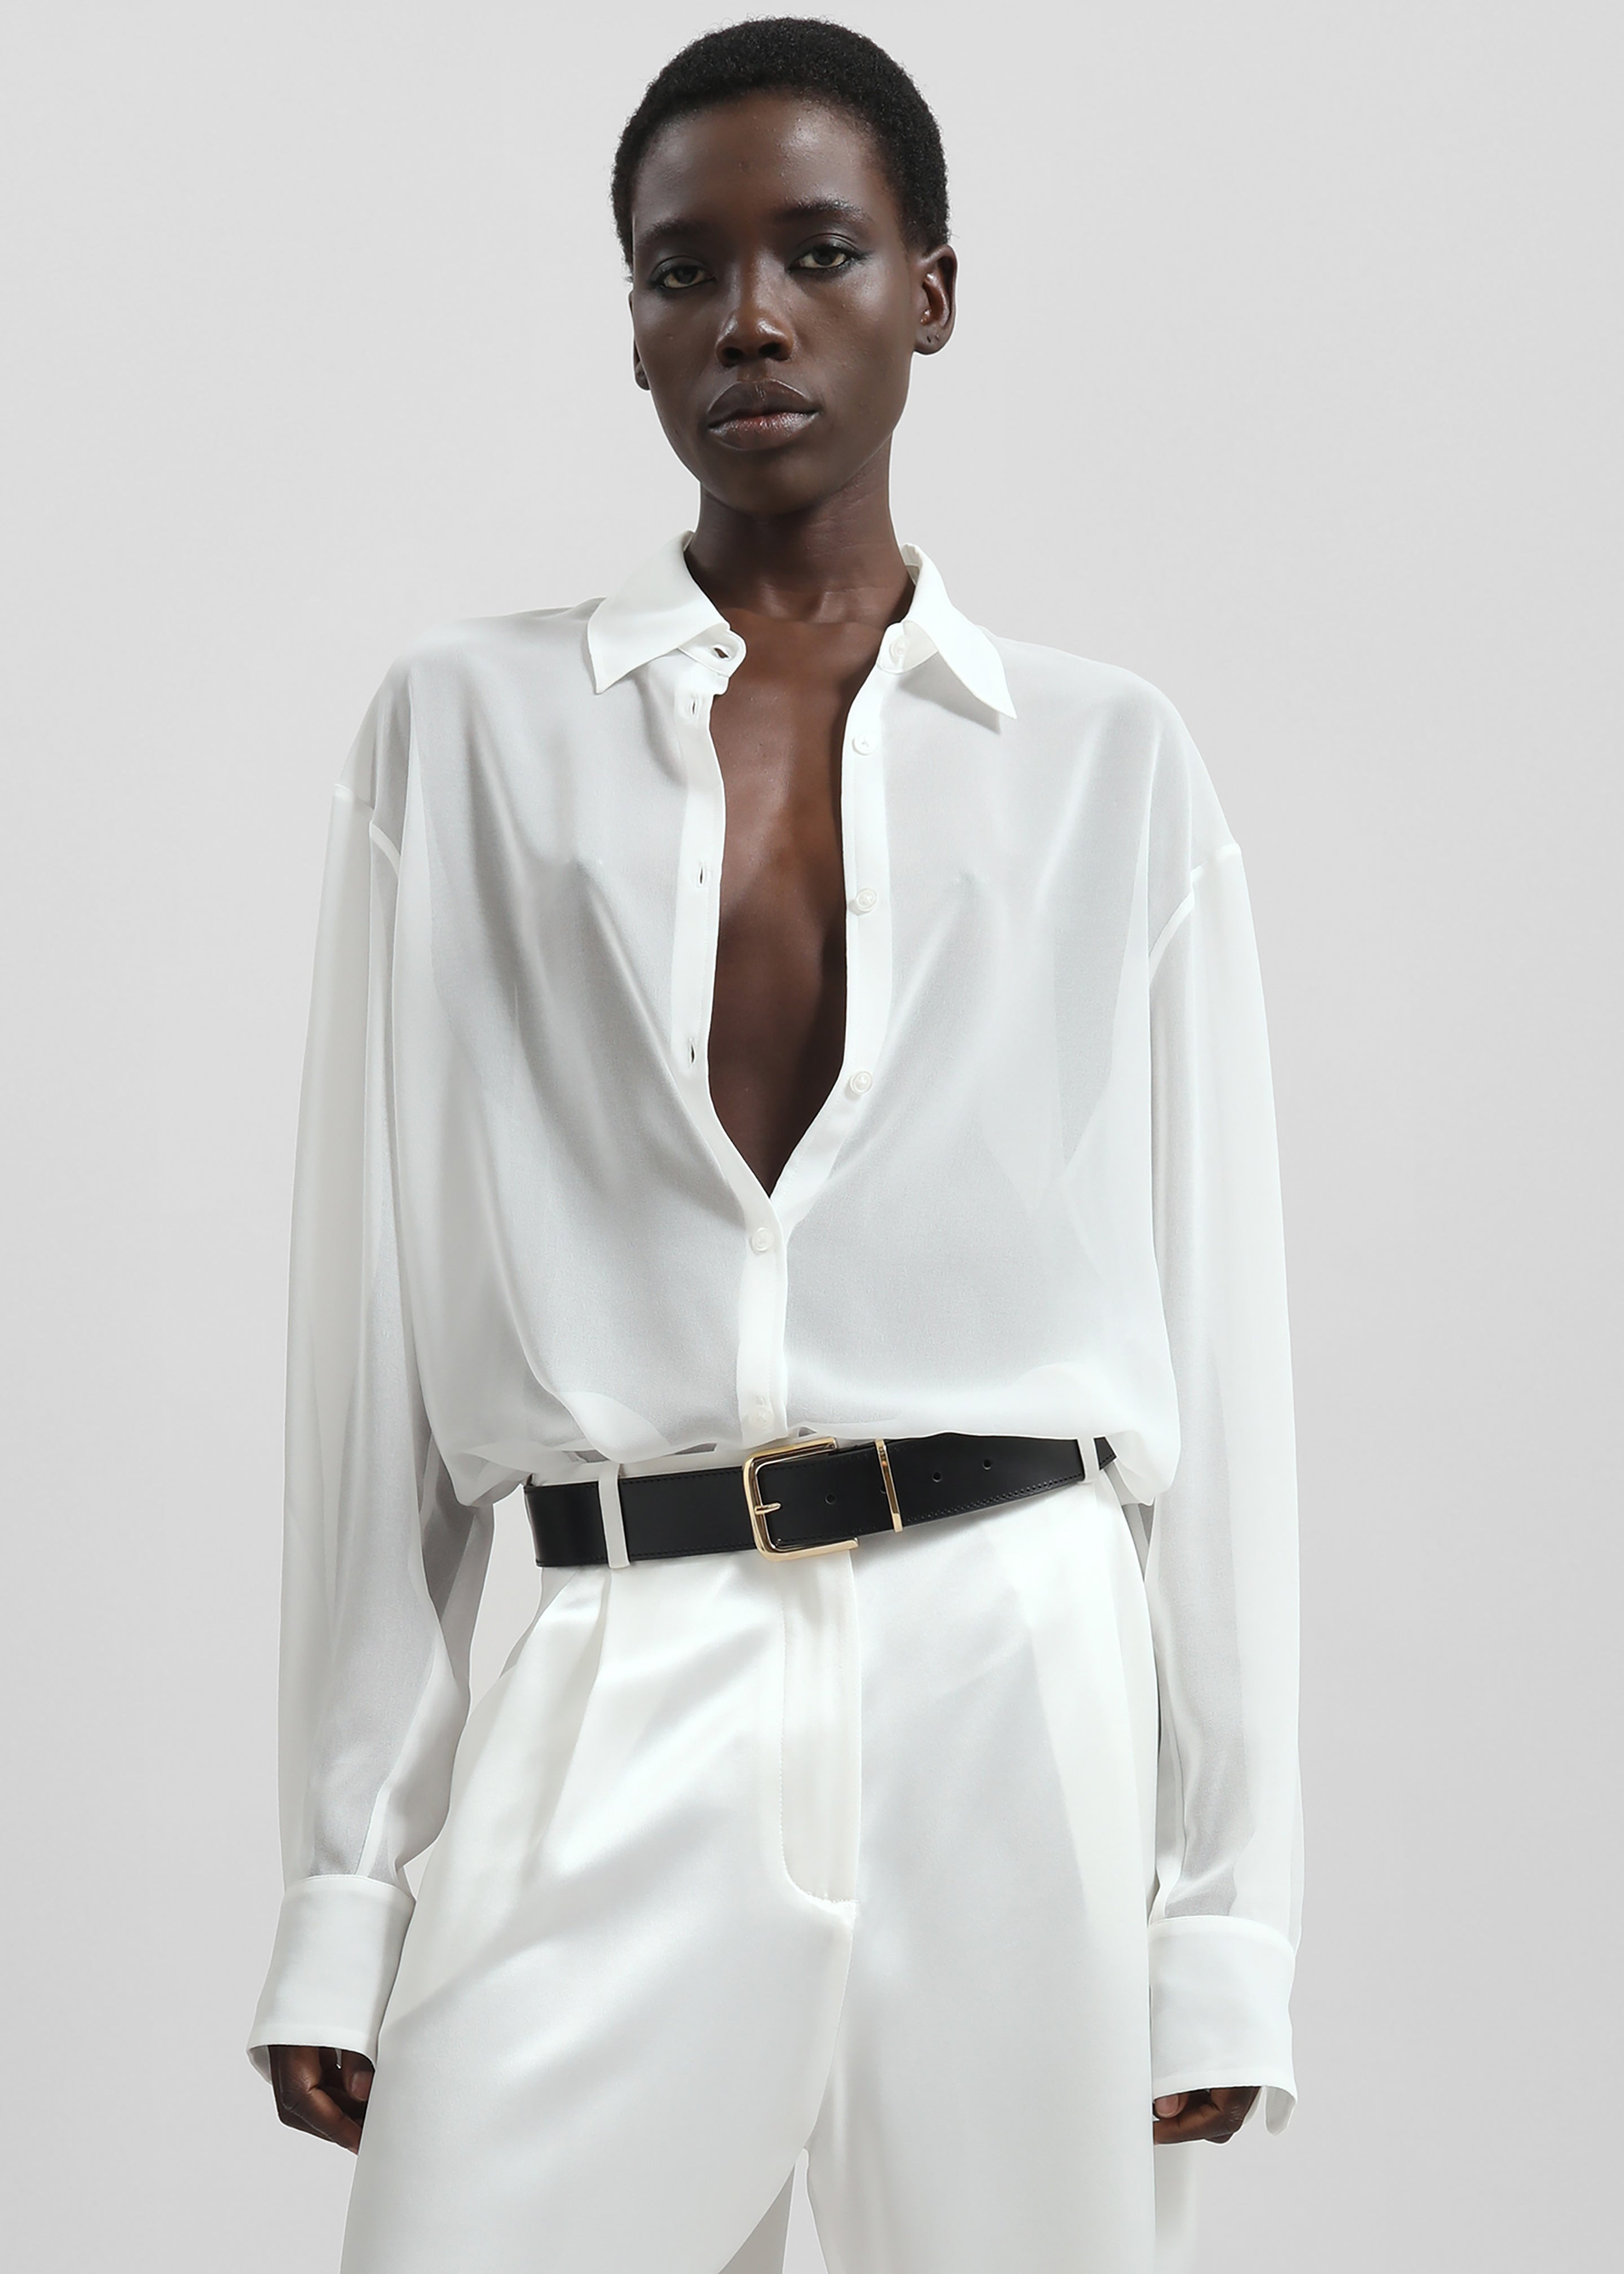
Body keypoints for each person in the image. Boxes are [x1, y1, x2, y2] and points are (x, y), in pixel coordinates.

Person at [249, 19, 1301, 2273]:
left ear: (931, 288)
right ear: (631, 321)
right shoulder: (466, 736)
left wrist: (1224, 1916)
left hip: (1012, 1678)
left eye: (818, 250)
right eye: (681, 268)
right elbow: (371, 1352)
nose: (747, 317)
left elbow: (1224, 1367)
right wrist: (349, 1883)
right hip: (613, 1667)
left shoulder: (1110, 767)